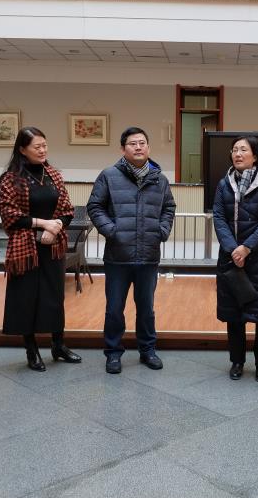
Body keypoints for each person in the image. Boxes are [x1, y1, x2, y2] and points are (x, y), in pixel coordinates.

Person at [87, 126, 176, 374]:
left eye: (142, 143)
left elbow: (169, 207)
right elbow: (95, 206)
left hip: (148, 255)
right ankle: (113, 353)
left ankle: (148, 350)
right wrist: (111, 231)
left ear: (148, 147)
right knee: (114, 309)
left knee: (146, 309)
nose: (138, 147)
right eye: (132, 143)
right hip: (118, 256)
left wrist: (162, 230)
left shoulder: (159, 179)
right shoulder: (109, 175)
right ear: (122, 149)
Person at [0, 127, 81, 371]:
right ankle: (31, 350)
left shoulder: (53, 174)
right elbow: (9, 215)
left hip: (52, 245)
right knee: (26, 298)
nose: (43, 150)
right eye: (37, 147)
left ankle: (58, 345)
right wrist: (43, 224)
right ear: (22, 150)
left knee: (54, 296)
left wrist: (55, 228)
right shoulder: (11, 178)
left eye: (45, 145)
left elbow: (67, 209)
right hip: (25, 247)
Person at [212, 136, 258, 382]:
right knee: (234, 314)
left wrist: (247, 248)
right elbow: (219, 217)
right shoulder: (224, 183)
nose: (238, 154)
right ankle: (237, 361)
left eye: (243, 149)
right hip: (232, 257)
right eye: (234, 150)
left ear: (256, 155)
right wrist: (233, 249)